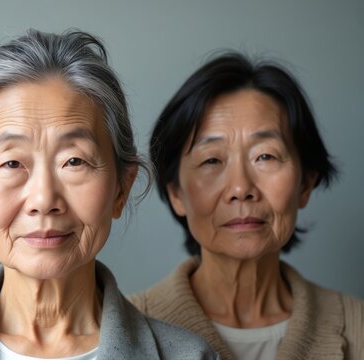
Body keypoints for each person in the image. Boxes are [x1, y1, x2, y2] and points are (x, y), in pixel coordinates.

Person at [0, 29, 218, 359]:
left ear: (121, 188)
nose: (44, 200)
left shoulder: (190, 355)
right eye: (12, 162)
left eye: (74, 161)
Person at [128, 52, 364, 360]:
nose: (241, 188)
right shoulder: (122, 330)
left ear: (305, 184)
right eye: (211, 160)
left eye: (265, 156)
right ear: (176, 194)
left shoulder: (356, 327)